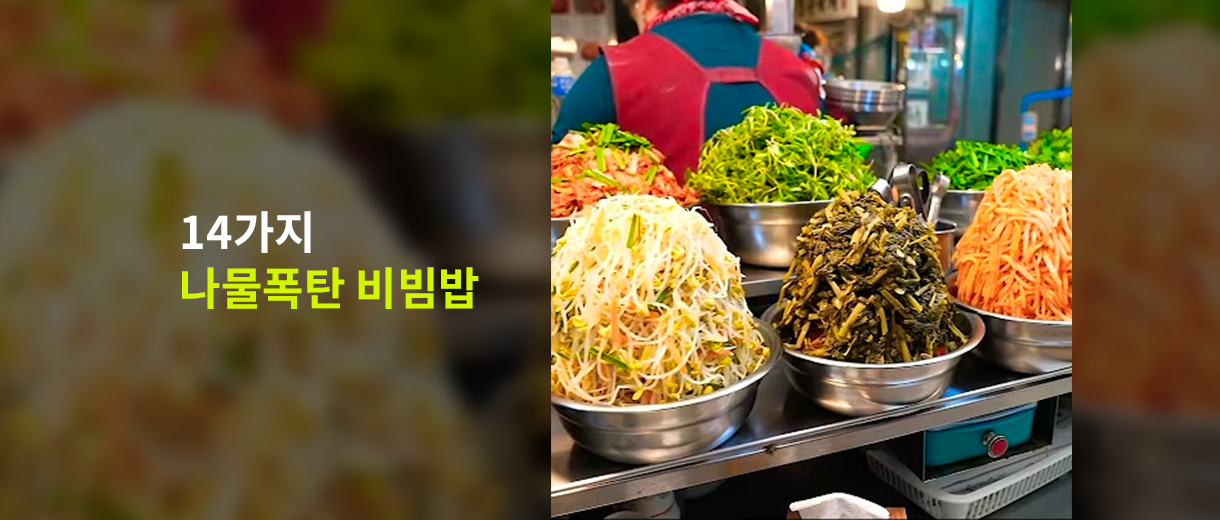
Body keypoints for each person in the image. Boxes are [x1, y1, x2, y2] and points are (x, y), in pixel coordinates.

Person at [550, 0, 823, 182]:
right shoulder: (799, 69)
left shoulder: (613, 68)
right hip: (787, 246)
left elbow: (559, 165)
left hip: (657, 249)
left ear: (645, 5)